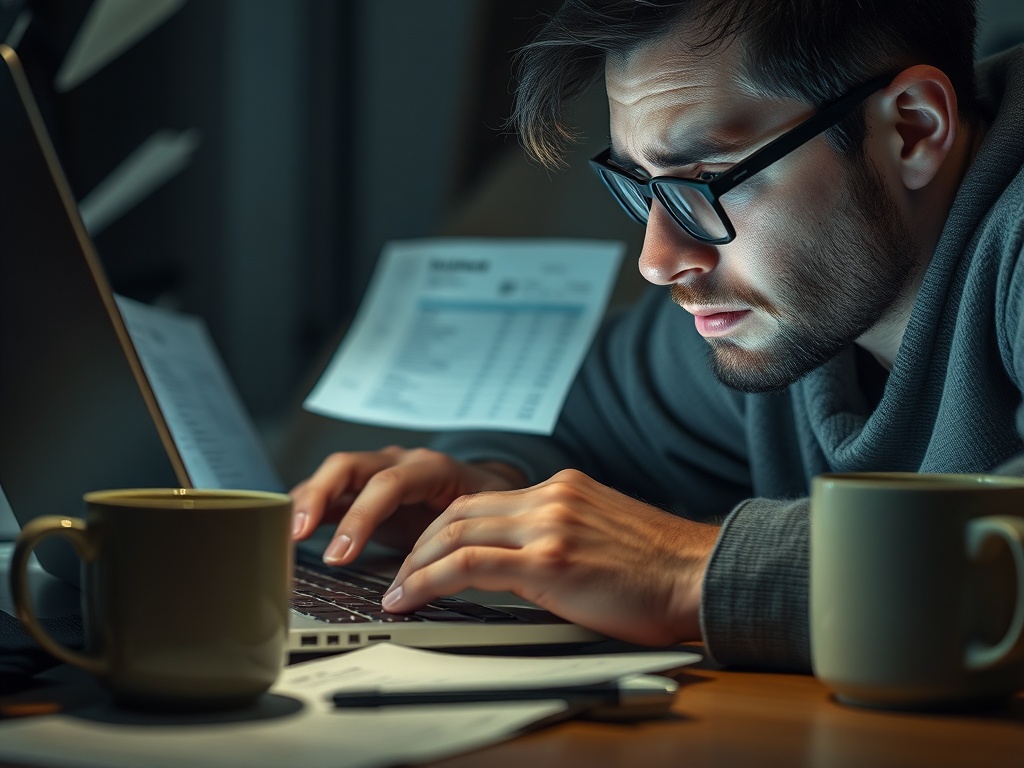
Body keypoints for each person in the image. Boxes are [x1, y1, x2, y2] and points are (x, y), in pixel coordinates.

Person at [291, 0, 1024, 671]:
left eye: (704, 177)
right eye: (641, 186)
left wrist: (690, 569)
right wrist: (492, 486)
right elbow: (576, 417)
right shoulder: (792, 306)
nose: (658, 259)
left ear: (913, 128)